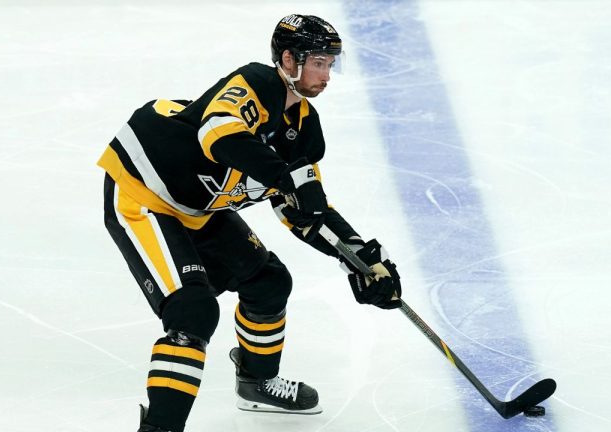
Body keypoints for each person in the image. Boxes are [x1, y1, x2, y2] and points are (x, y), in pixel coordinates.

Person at [97, 14, 402, 432]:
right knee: (193, 312)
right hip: (144, 193)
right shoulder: (256, 83)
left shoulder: (305, 130)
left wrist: (360, 257)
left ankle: (256, 382)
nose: (326, 74)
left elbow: (305, 210)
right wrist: (283, 177)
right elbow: (218, 134)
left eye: (331, 64)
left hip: (202, 207)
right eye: (318, 62)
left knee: (269, 282)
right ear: (289, 59)